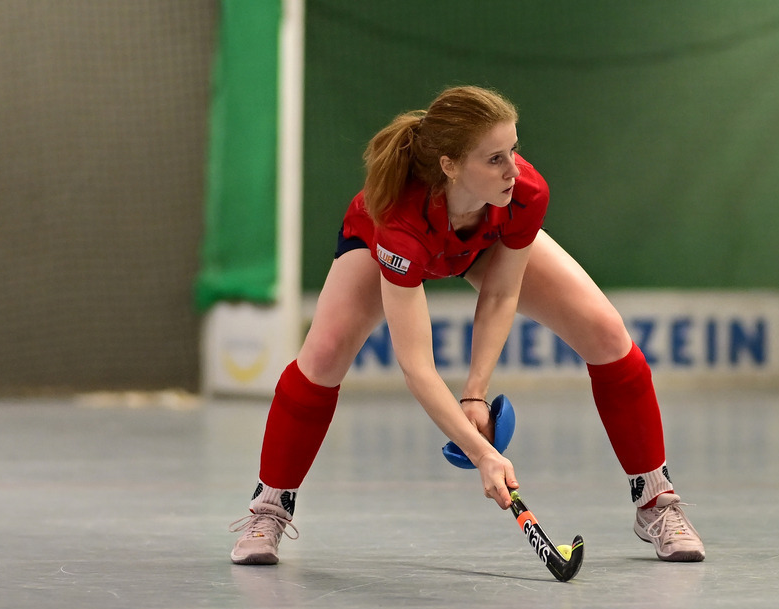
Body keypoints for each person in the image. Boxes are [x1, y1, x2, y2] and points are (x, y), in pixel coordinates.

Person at [229, 85, 705, 565]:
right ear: (450, 165)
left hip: (479, 245)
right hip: (385, 246)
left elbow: (500, 293)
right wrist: (481, 454)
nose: (513, 169)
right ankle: (270, 506)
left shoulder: (523, 192)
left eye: (514, 150)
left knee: (605, 331)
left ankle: (654, 501)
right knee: (325, 353)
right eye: (495, 158)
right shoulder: (399, 223)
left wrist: (475, 393)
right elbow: (416, 366)